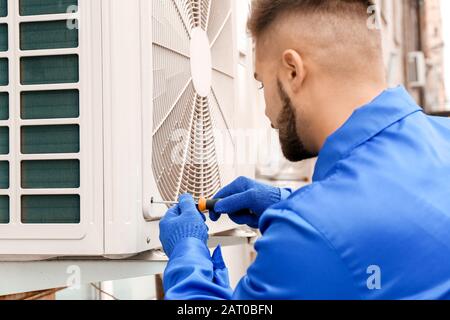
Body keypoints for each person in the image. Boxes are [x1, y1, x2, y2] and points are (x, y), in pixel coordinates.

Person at [158, 0, 450, 299]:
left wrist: (186, 253)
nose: (266, 112)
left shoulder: (311, 233)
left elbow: (336, 233)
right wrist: (285, 203)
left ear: (293, 71)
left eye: (262, 85)